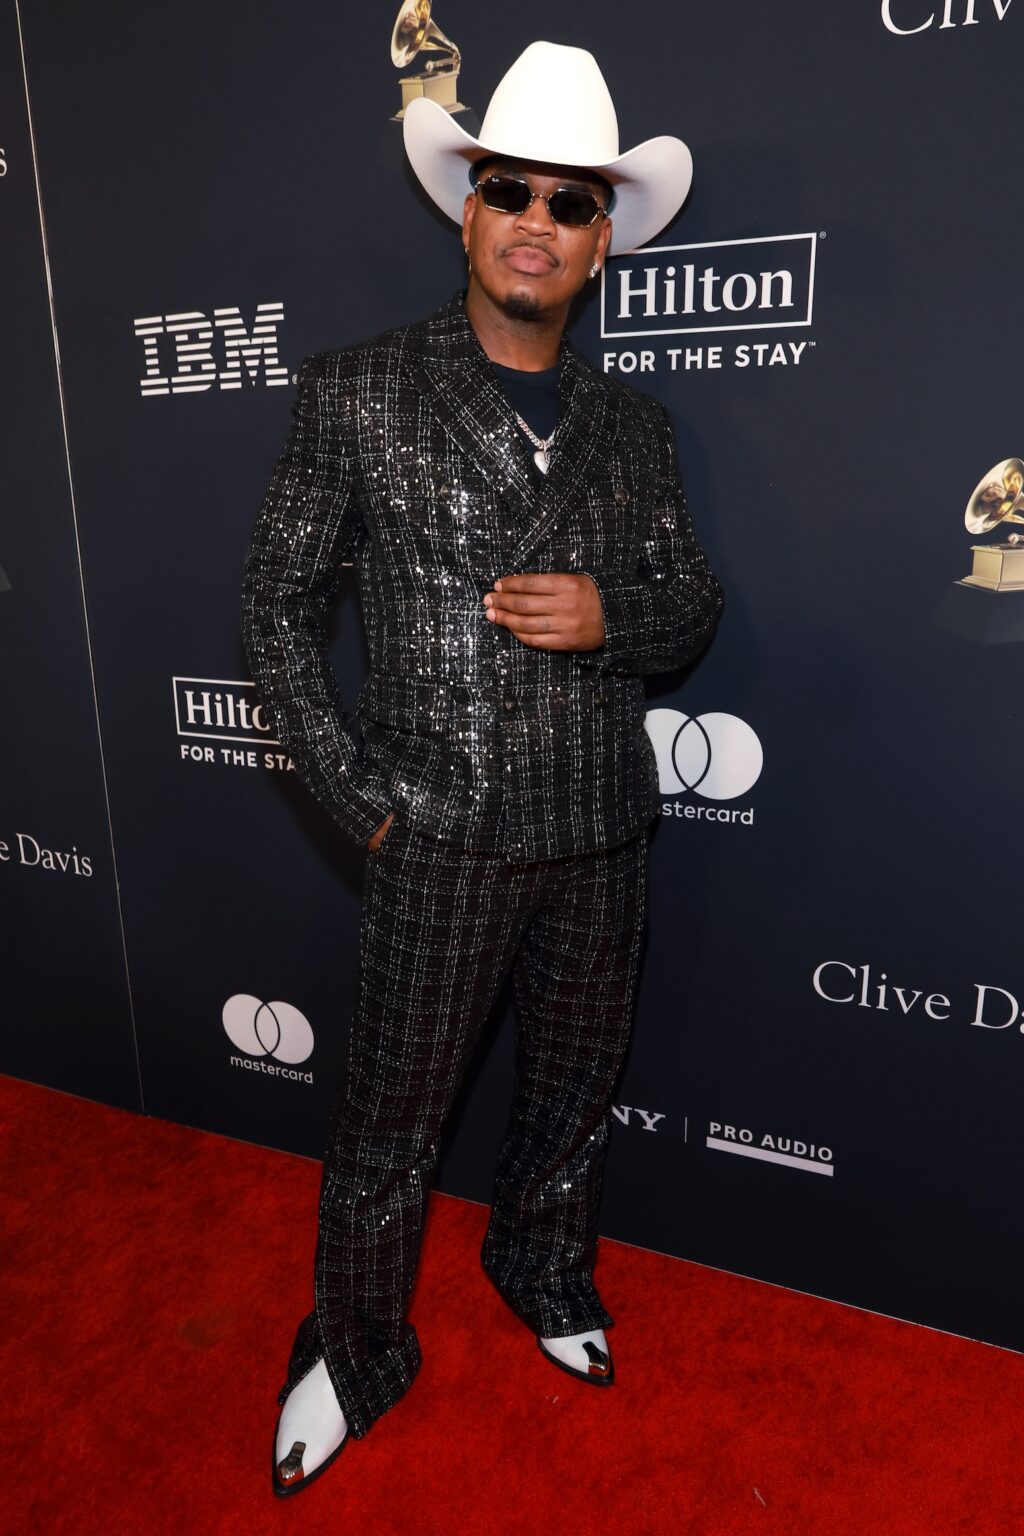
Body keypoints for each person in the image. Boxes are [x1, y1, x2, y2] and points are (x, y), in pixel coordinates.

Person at [241, 39, 724, 1498]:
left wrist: (611, 616)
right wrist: (362, 800)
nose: (535, 220)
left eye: (570, 203)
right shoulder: (360, 392)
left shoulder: (637, 430)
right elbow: (276, 605)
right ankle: (355, 1343)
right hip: (435, 829)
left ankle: (542, 1266)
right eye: (507, 189)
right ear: (466, 212)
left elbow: (691, 602)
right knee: (391, 1120)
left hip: (598, 830)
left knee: (575, 1088)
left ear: (602, 241)